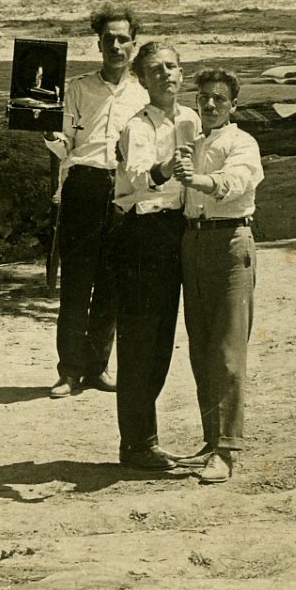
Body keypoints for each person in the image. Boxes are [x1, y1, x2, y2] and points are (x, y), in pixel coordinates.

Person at [46, 5, 143, 399]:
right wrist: (45, 128)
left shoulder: (142, 93)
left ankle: (98, 366)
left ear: (134, 45)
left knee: (112, 282)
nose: (116, 46)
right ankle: (69, 370)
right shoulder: (78, 88)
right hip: (83, 185)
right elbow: (63, 142)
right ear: (98, 44)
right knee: (76, 282)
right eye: (109, 40)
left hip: (123, 189)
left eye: (123, 39)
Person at [113, 40, 199, 473]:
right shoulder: (137, 126)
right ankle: (137, 443)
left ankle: (150, 441)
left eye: (172, 66)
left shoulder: (192, 118)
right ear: (142, 80)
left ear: (182, 73)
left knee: (166, 337)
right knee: (140, 342)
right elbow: (140, 178)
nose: (166, 74)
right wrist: (169, 166)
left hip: (182, 230)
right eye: (155, 69)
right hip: (143, 234)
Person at [178, 68, 263, 484]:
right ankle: (213, 438)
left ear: (234, 105)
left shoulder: (242, 142)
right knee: (201, 348)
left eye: (219, 99)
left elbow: (236, 182)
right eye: (204, 98)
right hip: (192, 244)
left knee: (228, 351)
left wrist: (198, 180)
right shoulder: (193, 143)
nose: (210, 105)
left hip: (230, 242)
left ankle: (228, 448)